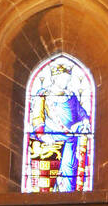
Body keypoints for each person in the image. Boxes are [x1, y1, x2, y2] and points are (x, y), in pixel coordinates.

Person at [28, 62, 92, 192]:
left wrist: (85, 121)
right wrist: (42, 135)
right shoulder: (43, 95)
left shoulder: (71, 96)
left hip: (70, 140)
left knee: (69, 168)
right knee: (48, 172)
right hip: (50, 138)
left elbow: (81, 113)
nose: (65, 82)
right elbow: (37, 117)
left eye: (67, 79)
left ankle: (68, 196)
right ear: (54, 78)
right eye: (63, 78)